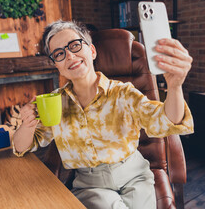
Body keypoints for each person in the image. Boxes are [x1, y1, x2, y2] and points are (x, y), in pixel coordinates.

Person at [13, 20, 194, 209]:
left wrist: (175, 86)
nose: (69, 55)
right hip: (91, 185)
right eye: (59, 53)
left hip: (135, 176)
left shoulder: (123, 93)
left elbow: (167, 121)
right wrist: (27, 124)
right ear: (56, 65)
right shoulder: (55, 103)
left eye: (74, 45)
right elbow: (21, 147)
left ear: (91, 51)